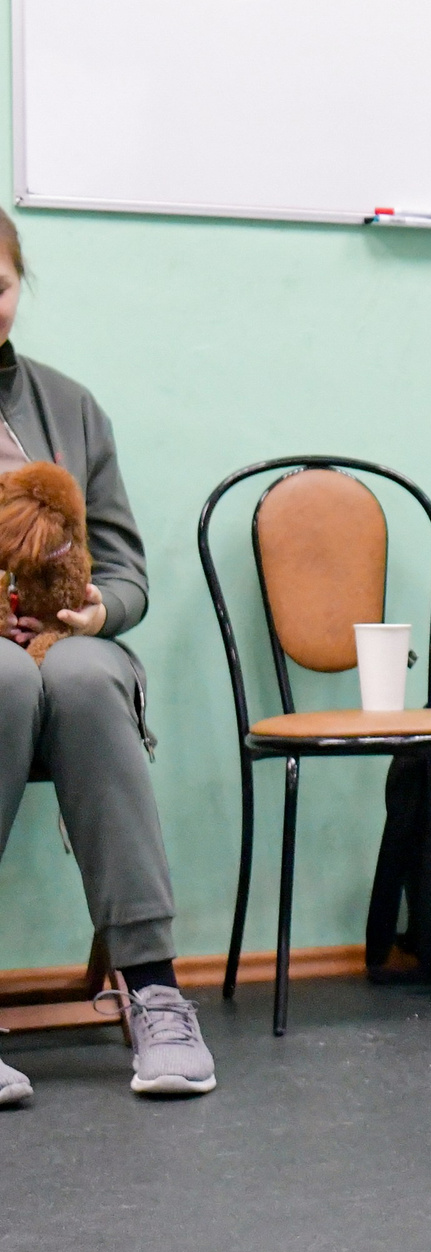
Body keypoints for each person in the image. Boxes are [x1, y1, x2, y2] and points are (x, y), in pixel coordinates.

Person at [0, 207, 216, 1104]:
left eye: (0, 286)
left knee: (87, 680)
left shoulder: (70, 406)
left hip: (71, 646)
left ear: (19, 288)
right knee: (5, 678)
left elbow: (126, 575)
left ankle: (154, 985)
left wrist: (95, 613)